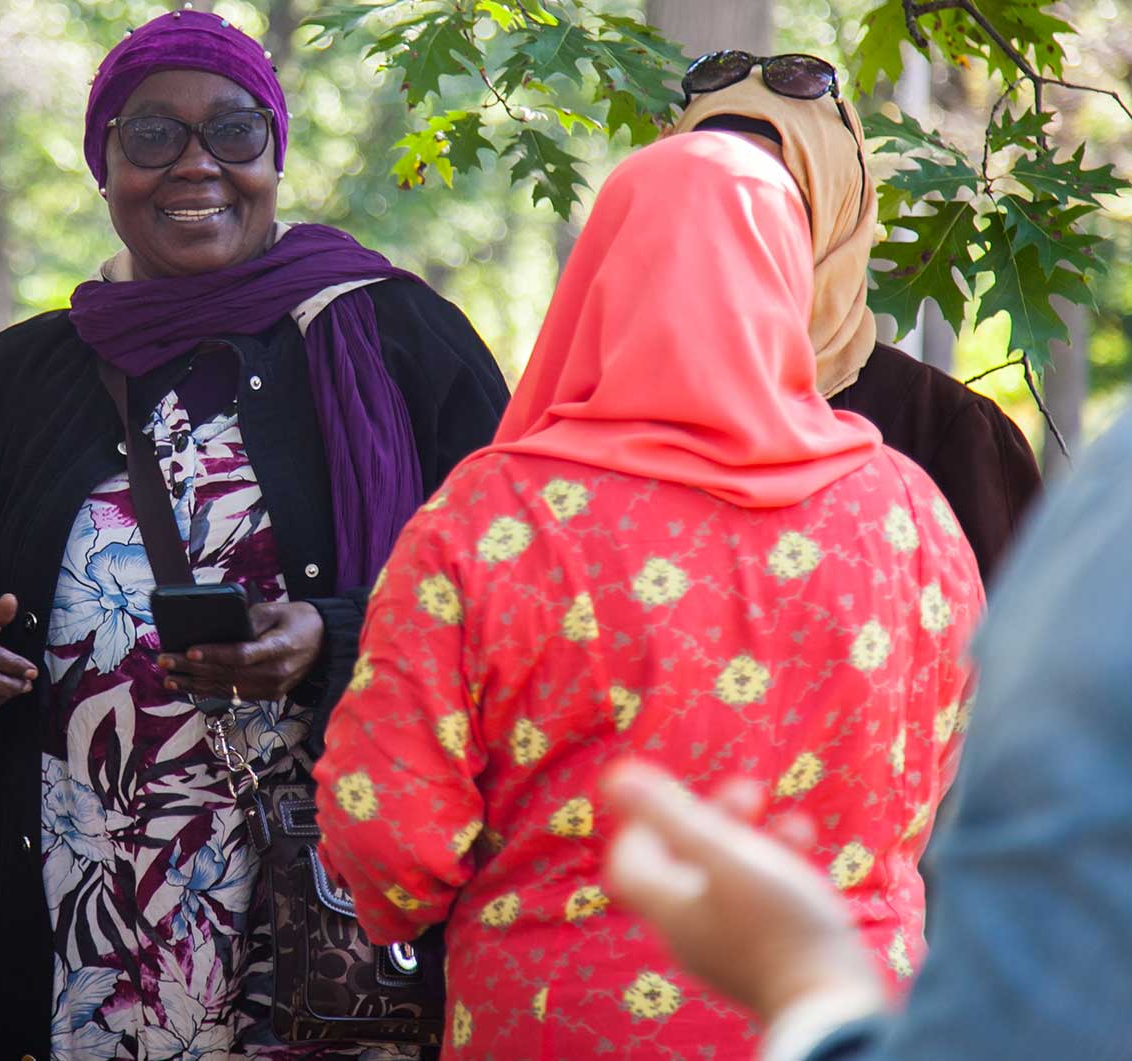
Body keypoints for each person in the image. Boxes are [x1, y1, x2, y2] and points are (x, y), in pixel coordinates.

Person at [0, 8, 511, 1060]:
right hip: (82, 933)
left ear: (275, 154)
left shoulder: (397, 337)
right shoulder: (25, 375)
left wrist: (332, 639)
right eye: (151, 135)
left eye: (234, 132)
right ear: (102, 163)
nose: (195, 164)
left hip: (330, 923)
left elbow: (513, 597)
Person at [314, 133, 983, 1060]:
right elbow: (946, 768)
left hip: (558, 1019)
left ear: (602, 277)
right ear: (792, 277)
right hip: (850, 1013)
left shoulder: (491, 518)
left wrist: (417, 907)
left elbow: (391, 838)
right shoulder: (907, 511)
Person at [601, 394, 1132, 1060]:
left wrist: (807, 983)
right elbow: (962, 732)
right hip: (881, 956)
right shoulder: (908, 500)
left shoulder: (501, 509)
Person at [671, 50, 1040, 580]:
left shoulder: (949, 434)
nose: (740, 226)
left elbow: (1017, 652)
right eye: (708, 193)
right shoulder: (599, 416)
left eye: (778, 199)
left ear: (839, 213)